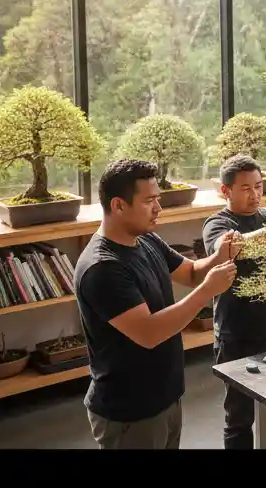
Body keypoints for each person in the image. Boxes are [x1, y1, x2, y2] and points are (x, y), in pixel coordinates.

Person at [74, 159, 240, 450]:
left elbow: (190, 273)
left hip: (165, 397)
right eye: (149, 200)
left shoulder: (145, 238)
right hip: (129, 411)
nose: (158, 208)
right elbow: (148, 333)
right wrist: (208, 291)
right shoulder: (103, 268)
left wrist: (220, 255)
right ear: (118, 205)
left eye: (158, 199)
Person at [203, 153, 266, 450]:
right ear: (225, 191)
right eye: (246, 188)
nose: (255, 194)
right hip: (237, 334)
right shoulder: (217, 224)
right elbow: (230, 248)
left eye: (258, 186)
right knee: (239, 418)